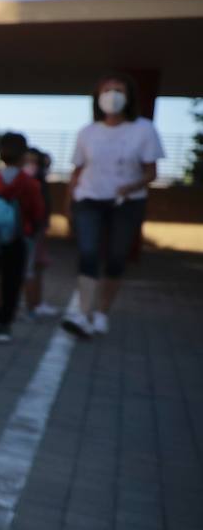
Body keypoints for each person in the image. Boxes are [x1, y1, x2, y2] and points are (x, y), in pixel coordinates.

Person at [61, 73, 165, 338]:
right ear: (97, 97)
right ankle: (83, 312)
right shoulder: (88, 132)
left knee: (117, 257)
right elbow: (77, 170)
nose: (112, 95)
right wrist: (69, 203)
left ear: (129, 97)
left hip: (126, 203)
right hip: (89, 199)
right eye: (106, 90)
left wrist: (130, 187)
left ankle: (101, 313)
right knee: (88, 253)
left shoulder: (144, 129)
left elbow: (151, 172)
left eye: (118, 90)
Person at [0, 132, 45, 342]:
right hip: (17, 238)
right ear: (23, 155)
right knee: (11, 283)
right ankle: (3, 325)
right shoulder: (29, 183)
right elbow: (37, 212)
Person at [22, 147, 58, 320]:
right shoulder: (27, 183)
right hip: (28, 232)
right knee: (29, 270)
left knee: (36, 267)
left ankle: (34, 304)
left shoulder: (38, 183)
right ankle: (31, 307)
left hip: (34, 231)